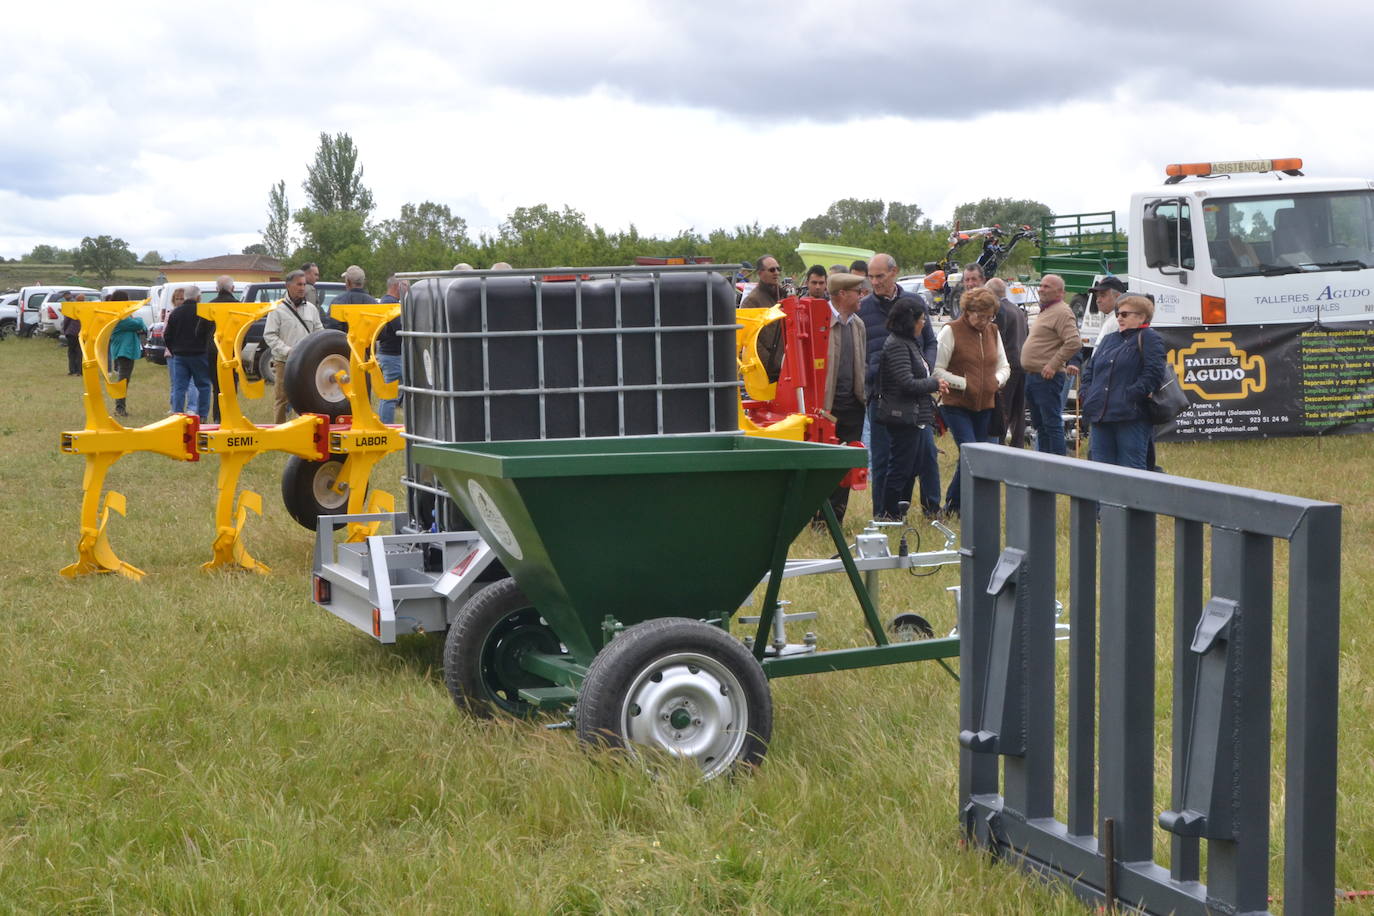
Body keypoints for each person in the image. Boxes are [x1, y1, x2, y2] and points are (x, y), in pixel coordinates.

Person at [859, 253, 939, 518]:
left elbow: (930, 341)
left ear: (895, 272)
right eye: (871, 277)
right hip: (882, 397)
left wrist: (924, 366)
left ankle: (928, 509)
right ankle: (883, 514)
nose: (875, 282)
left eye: (879, 276)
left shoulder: (914, 302)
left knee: (922, 455)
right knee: (883, 459)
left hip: (915, 395)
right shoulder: (864, 308)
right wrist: (875, 373)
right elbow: (861, 353)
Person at [933, 287, 1009, 517]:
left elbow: (1004, 366)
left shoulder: (993, 331)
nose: (984, 321)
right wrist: (965, 384)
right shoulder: (950, 331)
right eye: (979, 316)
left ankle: (956, 506)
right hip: (955, 404)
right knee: (969, 451)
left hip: (985, 405)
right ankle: (954, 505)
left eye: (989, 316)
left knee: (975, 455)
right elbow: (936, 370)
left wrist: (996, 381)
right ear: (967, 311)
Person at [874, 300, 948, 520]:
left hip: (917, 414)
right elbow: (906, 383)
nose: (924, 324)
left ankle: (900, 511)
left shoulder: (910, 342)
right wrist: (934, 384)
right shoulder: (897, 344)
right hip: (902, 416)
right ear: (910, 321)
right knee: (900, 468)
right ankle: (889, 515)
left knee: (913, 466)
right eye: (921, 319)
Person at [1078, 295, 1166, 468]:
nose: (1118, 317)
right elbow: (1091, 369)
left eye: (1125, 314)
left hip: (1130, 416)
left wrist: (1130, 395)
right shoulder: (1110, 339)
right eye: (1118, 313)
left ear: (1141, 317)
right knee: (1101, 471)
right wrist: (1086, 394)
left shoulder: (1149, 337)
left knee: (1131, 471)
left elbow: (1154, 373)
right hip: (1100, 415)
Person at [818, 273, 867, 523]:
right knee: (824, 467)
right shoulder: (820, 322)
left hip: (853, 406)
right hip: (826, 409)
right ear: (841, 294)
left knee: (847, 466)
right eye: (857, 291)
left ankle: (835, 519)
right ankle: (818, 518)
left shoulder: (858, 324)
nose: (862, 295)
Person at [1020, 274, 1081, 455]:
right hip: (1033, 376)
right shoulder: (1047, 310)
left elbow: (1073, 342)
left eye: (1047, 286)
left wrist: (1053, 364)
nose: (1041, 289)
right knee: (1041, 425)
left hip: (1046, 378)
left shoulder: (1062, 312)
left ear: (1060, 292)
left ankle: (1057, 466)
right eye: (1041, 285)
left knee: (1051, 424)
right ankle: (1044, 463)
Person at [263, 270, 324, 424]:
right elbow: (269, 335)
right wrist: (288, 351)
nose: (302, 288)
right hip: (284, 362)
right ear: (288, 285)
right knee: (282, 400)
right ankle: (279, 433)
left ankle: (305, 431)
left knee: (308, 399)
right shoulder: (277, 309)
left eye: (304, 284)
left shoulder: (311, 308)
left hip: (307, 363)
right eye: (299, 284)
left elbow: (319, 333)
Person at [987, 277, 1028, 447]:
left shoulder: (1000, 310)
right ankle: (1017, 445)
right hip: (1021, 363)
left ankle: (1000, 443)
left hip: (1008, 365)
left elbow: (997, 339)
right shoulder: (1017, 310)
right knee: (1019, 411)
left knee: (1003, 410)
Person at [164, 286, 213, 420]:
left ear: (185, 296)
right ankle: (202, 416)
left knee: (179, 387)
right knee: (203, 386)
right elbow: (210, 335)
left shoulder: (175, 313)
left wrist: (174, 350)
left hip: (180, 356)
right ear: (198, 297)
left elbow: (167, 335)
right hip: (200, 354)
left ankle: (177, 415)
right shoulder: (204, 312)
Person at [204, 275, 239, 424]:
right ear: (233, 288)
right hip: (232, 351)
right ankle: (230, 416)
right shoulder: (239, 306)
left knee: (217, 386)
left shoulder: (210, 305)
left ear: (216, 289)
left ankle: (218, 418)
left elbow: (199, 331)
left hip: (214, 351)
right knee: (231, 386)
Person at [106, 290, 145, 418]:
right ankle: (120, 408)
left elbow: (141, 327)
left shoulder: (119, 314)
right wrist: (138, 320)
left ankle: (120, 407)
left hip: (124, 350)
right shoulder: (119, 316)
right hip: (124, 351)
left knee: (124, 379)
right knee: (123, 381)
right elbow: (139, 324)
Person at [376, 275, 407, 424]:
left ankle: (385, 424)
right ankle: (386, 426)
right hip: (392, 355)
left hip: (389, 354)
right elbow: (400, 328)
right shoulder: (391, 304)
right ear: (398, 287)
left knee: (389, 394)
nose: (409, 291)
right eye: (407, 287)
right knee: (389, 396)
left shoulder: (386, 301)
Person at [60, 293, 83, 375]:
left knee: (71, 351)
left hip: (71, 333)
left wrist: (65, 330)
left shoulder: (73, 307)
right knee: (80, 352)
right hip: (82, 333)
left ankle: (72, 370)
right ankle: (80, 371)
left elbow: (66, 320)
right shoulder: (86, 308)